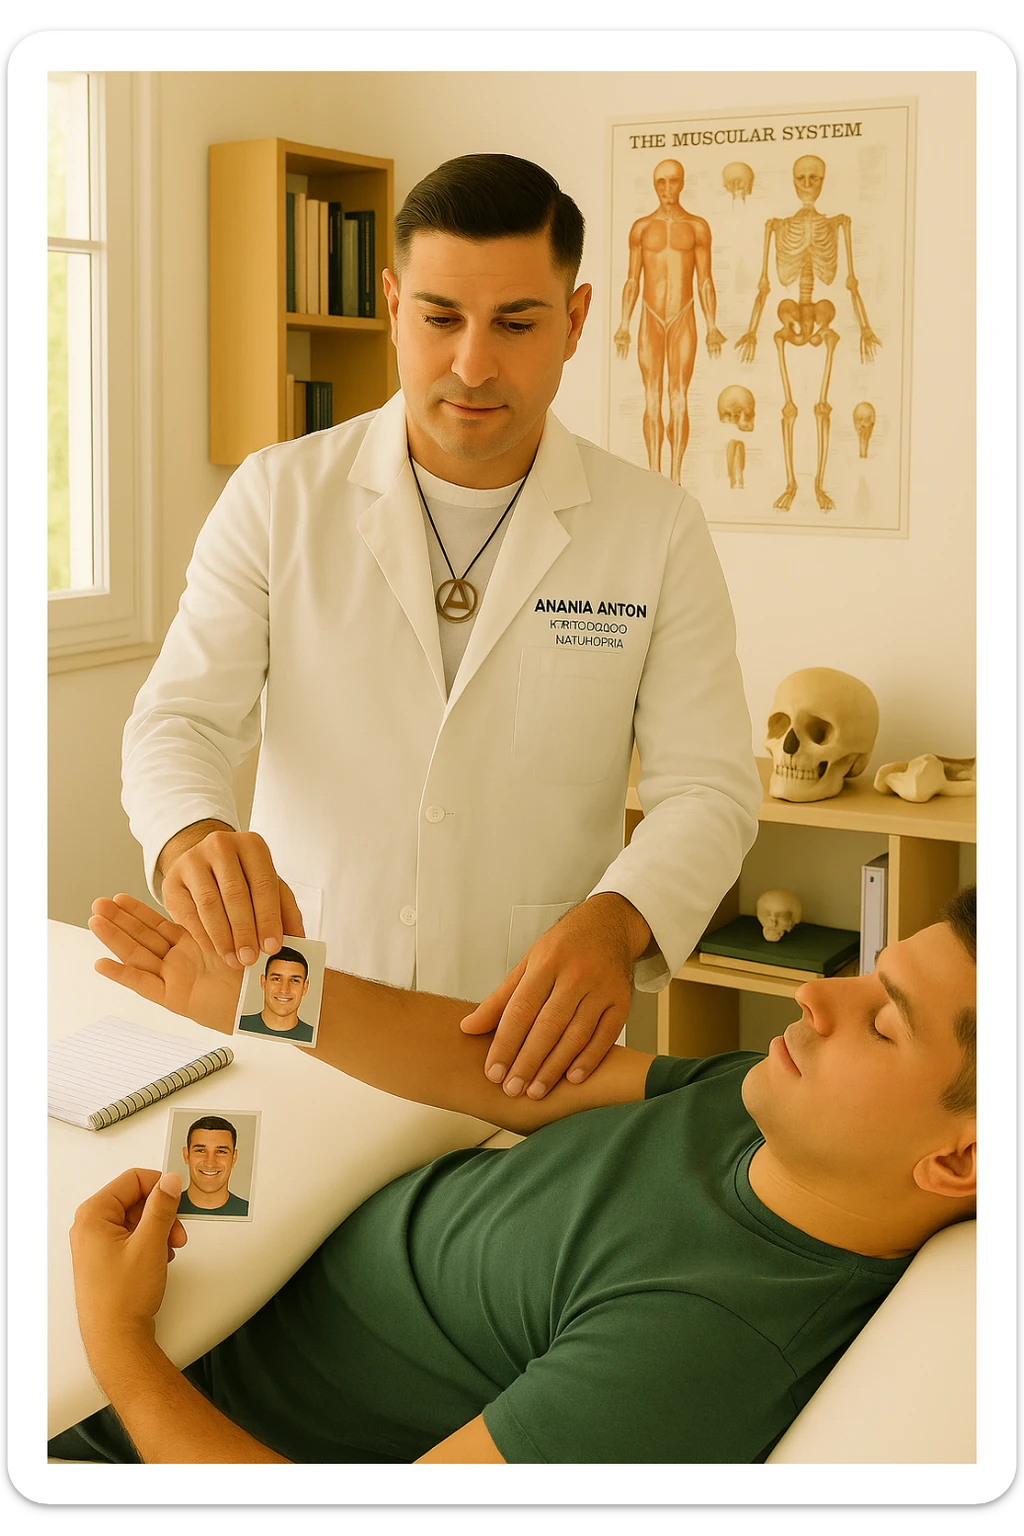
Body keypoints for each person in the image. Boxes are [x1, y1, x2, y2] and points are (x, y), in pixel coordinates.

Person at [120, 153, 761, 1105]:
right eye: (439, 318)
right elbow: (178, 723)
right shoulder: (277, 497)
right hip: (302, 1014)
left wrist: (620, 919)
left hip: (525, 1042)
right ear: (391, 304)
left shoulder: (654, 527)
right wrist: (193, 834)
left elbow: (707, 788)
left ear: (576, 322)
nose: (472, 363)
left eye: (515, 322)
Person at [50, 884, 976, 1464]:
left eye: (885, 1022)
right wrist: (262, 1002)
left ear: (960, 1157)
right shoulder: (762, 1102)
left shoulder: (699, 1347)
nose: (816, 992)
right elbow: (504, 1072)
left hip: (126, 1422)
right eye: (868, 973)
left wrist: (118, 1342)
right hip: (220, 1296)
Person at [614, 158, 726, 485]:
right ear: (654, 184)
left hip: (683, 317)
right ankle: (653, 477)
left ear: (682, 183)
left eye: (673, 181)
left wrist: (712, 325)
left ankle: (675, 480)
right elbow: (632, 280)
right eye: (661, 182)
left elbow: (705, 279)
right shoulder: (641, 228)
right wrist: (623, 324)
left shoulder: (697, 227)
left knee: (678, 397)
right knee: (651, 396)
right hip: (650, 318)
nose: (667, 189)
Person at [238, 947, 314, 1044]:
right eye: (276, 979)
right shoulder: (240, 1025)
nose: (284, 990)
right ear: (263, 982)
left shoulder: (311, 1036)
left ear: (305, 987)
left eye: (294, 980)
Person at [176, 1116, 249, 1218]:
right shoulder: (167, 1208)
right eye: (201, 1151)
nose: (210, 1163)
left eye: (221, 1152)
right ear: (186, 1155)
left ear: (234, 1158)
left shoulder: (248, 1211)